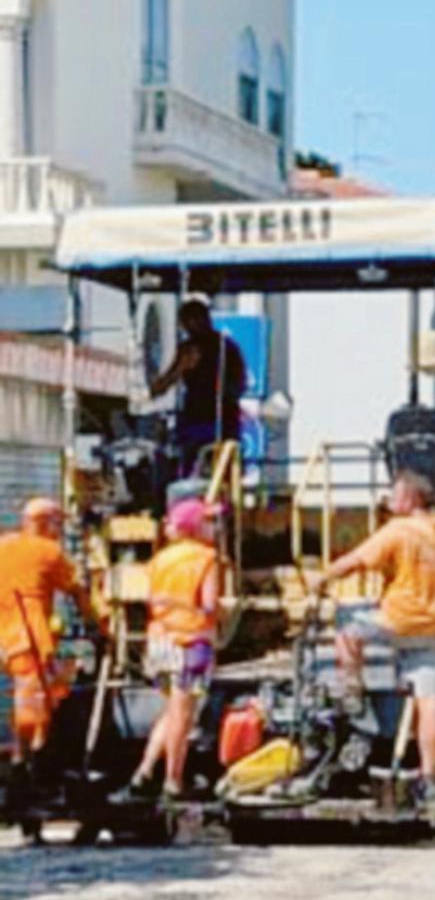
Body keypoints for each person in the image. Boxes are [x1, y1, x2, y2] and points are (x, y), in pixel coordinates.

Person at [317, 471, 435, 809]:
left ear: (410, 499)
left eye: (394, 495)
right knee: (430, 698)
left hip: (400, 622)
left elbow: (356, 561)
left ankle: (352, 691)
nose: (389, 502)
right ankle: (429, 778)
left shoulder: (398, 531)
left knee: (347, 626)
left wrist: (322, 578)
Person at [114, 499, 221, 803]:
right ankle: (173, 781)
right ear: (196, 526)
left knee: (171, 712)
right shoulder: (207, 558)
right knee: (183, 718)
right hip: (191, 642)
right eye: (208, 521)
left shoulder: (160, 559)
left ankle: (144, 772)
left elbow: (153, 599)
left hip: (160, 642)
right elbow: (210, 605)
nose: (214, 528)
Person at [0, 499, 95, 771]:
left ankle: (24, 757)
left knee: (34, 694)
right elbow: (76, 591)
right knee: (33, 703)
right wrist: (100, 625)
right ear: (43, 522)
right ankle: (29, 766)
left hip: (8, 635)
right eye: (57, 522)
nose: (60, 529)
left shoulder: (4, 546)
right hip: (29, 635)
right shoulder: (47, 551)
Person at [150, 299, 246, 474]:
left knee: (217, 461)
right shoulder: (192, 348)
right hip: (198, 414)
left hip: (218, 416)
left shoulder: (225, 347)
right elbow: (165, 383)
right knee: (192, 461)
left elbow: (239, 382)